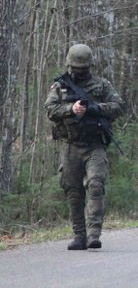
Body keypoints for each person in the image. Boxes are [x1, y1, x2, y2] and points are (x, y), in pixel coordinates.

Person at [45, 44, 126, 250]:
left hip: (95, 145)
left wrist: (95, 108)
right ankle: (79, 235)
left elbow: (118, 106)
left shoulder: (101, 85)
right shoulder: (59, 87)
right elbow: (50, 110)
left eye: (83, 68)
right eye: (76, 68)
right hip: (71, 144)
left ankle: (94, 234)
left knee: (96, 184)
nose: (79, 71)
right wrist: (70, 109)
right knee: (73, 191)